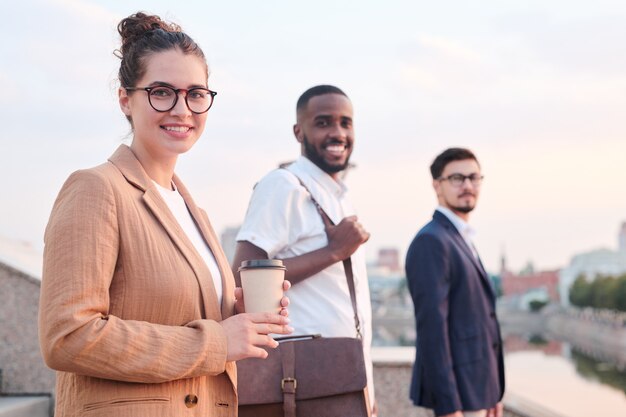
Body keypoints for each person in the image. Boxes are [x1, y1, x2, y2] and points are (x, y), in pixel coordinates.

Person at [38, 12, 291, 417]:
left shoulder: (194, 212)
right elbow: (67, 335)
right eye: (161, 92)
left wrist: (235, 314)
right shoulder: (97, 188)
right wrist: (216, 342)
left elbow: (173, 312)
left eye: (195, 93)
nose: (181, 109)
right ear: (126, 98)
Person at [231, 84, 376, 414]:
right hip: (300, 382)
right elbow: (242, 278)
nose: (337, 133)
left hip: (343, 379)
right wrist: (333, 252)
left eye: (345, 123)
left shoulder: (336, 194)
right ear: (299, 131)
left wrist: (367, 391)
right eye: (323, 122)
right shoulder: (283, 185)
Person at [405, 148, 505, 417]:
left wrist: (492, 391)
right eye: (457, 178)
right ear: (437, 185)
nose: (468, 186)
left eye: (474, 177)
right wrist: (448, 407)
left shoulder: (460, 237)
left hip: (477, 392)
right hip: (456, 400)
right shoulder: (432, 241)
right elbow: (432, 332)